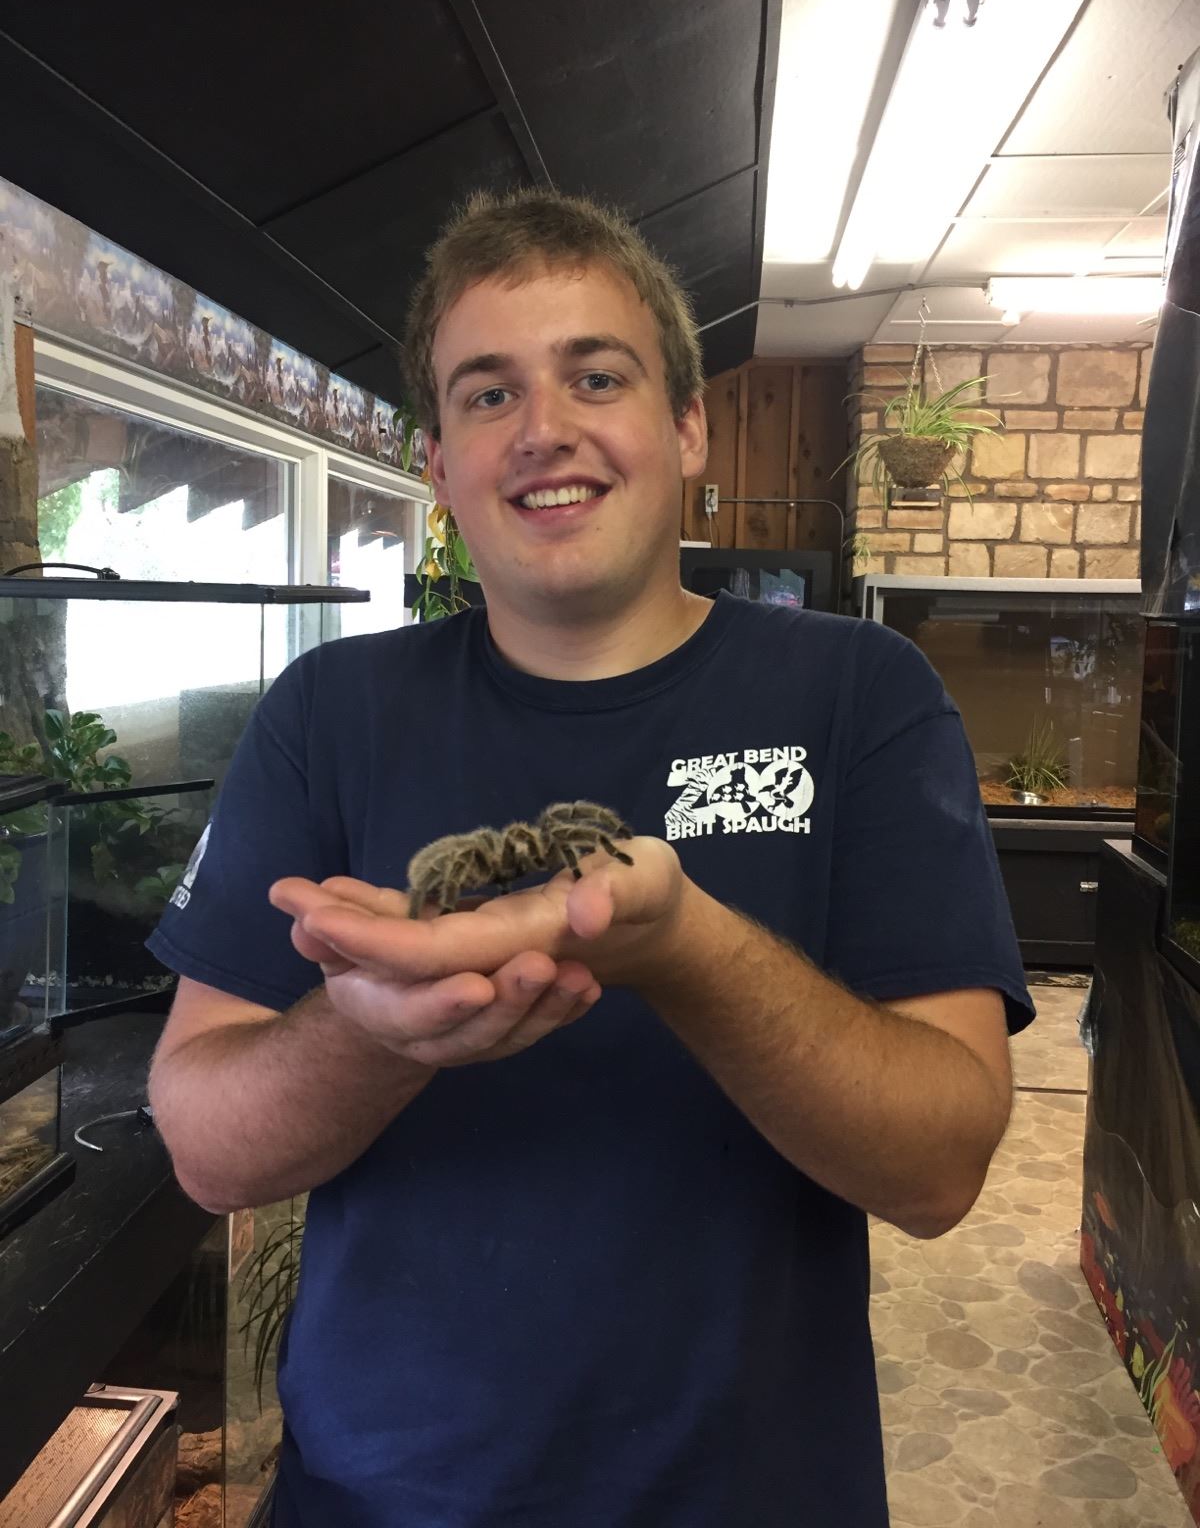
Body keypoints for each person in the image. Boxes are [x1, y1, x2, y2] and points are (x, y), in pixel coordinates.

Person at [147, 188, 1033, 1528]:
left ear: (687, 425)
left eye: (595, 375)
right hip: (377, 1501)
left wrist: (686, 952)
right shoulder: (330, 712)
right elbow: (207, 1149)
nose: (544, 429)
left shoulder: (863, 696)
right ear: (438, 466)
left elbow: (942, 1168)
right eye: (486, 394)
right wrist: (377, 1031)